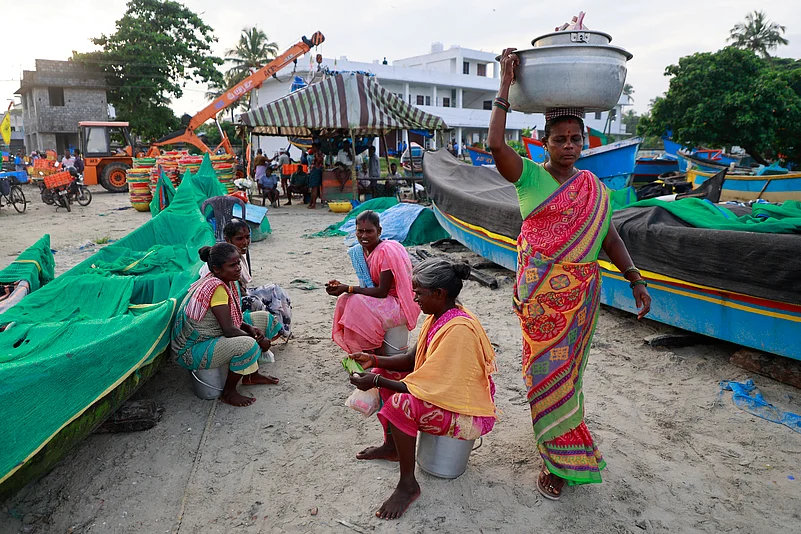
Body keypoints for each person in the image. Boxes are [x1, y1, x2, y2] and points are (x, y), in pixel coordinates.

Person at [487, 48, 652, 500]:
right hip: (541, 301)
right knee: (542, 376)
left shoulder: (595, 188)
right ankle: (554, 454)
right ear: (545, 143)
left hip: (581, 300)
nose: (567, 146)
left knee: (569, 377)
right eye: (559, 139)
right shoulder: (529, 179)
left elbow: (609, 237)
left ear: (584, 143)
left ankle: (560, 455)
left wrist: (635, 279)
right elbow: (496, 145)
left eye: (574, 139)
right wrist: (505, 84)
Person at [348, 258, 497, 519]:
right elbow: (410, 361)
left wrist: (375, 382)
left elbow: (433, 386)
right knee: (383, 371)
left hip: (465, 411)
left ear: (439, 294)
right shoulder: (439, 316)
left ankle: (408, 484)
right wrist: (374, 361)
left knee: (400, 405)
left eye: (419, 293)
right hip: (444, 393)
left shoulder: (459, 330)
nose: (415, 298)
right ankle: (393, 447)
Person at [172, 243, 283, 406]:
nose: (238, 268)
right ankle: (229, 392)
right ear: (216, 269)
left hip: (211, 334)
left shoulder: (225, 280)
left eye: (238, 263)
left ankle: (250, 375)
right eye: (232, 265)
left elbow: (233, 318)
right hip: (192, 348)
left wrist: (249, 328)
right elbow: (229, 330)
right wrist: (258, 341)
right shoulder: (216, 288)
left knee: (264, 319)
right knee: (248, 344)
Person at [326, 211, 419, 353]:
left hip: (399, 303)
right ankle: (361, 349)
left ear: (379, 231)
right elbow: (368, 285)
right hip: (384, 299)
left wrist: (348, 288)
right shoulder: (360, 251)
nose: (364, 236)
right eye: (360, 231)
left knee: (355, 302)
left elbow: (381, 292)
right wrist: (341, 287)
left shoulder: (386, 251)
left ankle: (373, 350)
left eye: (369, 231)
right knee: (344, 300)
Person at [307, 144, 323, 209]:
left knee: (314, 188)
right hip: (315, 170)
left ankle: (313, 204)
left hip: (315, 170)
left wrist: (316, 166)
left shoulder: (317, 153)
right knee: (314, 188)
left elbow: (319, 159)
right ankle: (312, 203)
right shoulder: (317, 153)